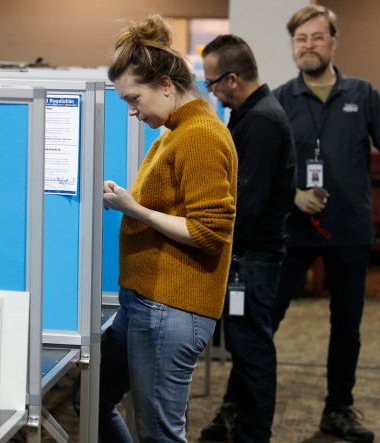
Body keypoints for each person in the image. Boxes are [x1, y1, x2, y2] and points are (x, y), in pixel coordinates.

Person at [271, 5, 380, 443]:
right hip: (293, 229)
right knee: (265, 319)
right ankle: (239, 404)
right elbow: (265, 164)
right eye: (300, 39)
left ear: (333, 40)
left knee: (347, 325)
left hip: (349, 229)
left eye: (316, 37)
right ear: (293, 46)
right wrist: (293, 194)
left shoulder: (363, 93)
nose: (308, 45)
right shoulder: (280, 98)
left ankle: (339, 409)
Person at [98, 14, 238, 443]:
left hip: (170, 308)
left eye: (134, 98)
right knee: (94, 401)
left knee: (160, 433)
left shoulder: (198, 136)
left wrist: (133, 209)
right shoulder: (175, 133)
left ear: (164, 84)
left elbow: (209, 233)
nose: (132, 110)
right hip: (145, 303)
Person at [196, 35, 297, 443]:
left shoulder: (262, 121)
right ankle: (238, 424)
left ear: (233, 79)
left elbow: (247, 204)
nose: (211, 91)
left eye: (212, 82)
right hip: (251, 258)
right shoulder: (255, 114)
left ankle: (254, 435)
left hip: (252, 261)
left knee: (253, 352)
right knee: (247, 348)